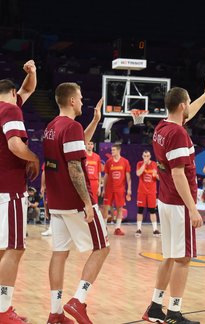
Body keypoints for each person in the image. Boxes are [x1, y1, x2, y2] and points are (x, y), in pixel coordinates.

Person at [142, 74, 205, 324]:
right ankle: (174, 312)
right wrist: (193, 209)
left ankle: (154, 307)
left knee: (170, 257)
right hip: (178, 203)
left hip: (166, 200)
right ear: (182, 105)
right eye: (189, 103)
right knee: (183, 259)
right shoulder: (178, 135)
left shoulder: (162, 127)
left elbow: (188, 114)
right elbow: (178, 174)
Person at [43, 82, 110, 324]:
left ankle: (55, 312)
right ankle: (78, 300)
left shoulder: (52, 127)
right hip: (75, 202)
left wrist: (95, 121)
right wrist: (88, 203)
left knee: (59, 254)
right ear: (72, 101)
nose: (82, 101)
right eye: (80, 97)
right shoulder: (71, 126)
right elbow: (74, 167)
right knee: (102, 248)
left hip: (57, 202)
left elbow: (76, 148)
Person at [0, 61, 40, 323]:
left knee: (3, 250)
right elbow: (15, 144)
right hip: (10, 189)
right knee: (15, 249)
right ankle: (4, 310)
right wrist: (33, 158)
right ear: (13, 93)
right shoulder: (12, 110)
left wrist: (32, 74)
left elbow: (28, 88)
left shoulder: (6, 107)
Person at [102, 144, 131, 235]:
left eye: (113, 150)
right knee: (106, 208)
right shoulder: (108, 162)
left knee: (119, 208)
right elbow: (106, 176)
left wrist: (129, 188)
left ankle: (117, 228)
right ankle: (103, 227)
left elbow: (128, 176)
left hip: (120, 189)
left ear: (118, 151)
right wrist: (103, 188)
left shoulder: (125, 162)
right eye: (111, 150)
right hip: (109, 189)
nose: (112, 152)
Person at [135, 150, 160, 237]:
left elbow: (159, 178)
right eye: (144, 156)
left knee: (152, 211)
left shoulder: (155, 164)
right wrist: (144, 164)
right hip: (142, 191)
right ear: (142, 156)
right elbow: (138, 174)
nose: (146, 157)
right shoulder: (139, 163)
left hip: (152, 192)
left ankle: (155, 229)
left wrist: (156, 174)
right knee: (140, 210)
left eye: (147, 156)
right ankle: (138, 229)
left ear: (150, 156)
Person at [85, 141, 103, 212]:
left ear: (93, 146)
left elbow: (99, 172)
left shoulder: (97, 157)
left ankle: (94, 217)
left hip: (94, 182)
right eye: (88, 144)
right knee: (85, 200)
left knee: (94, 201)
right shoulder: (83, 156)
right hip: (85, 181)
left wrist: (99, 187)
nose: (90, 145)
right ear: (86, 145)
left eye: (91, 144)